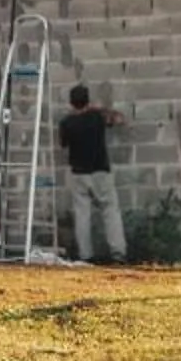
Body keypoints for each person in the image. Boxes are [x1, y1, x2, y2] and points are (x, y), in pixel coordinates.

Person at [57, 83, 129, 263]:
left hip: (78, 173)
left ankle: (86, 255)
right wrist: (100, 108)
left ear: (72, 103)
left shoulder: (66, 123)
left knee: (82, 214)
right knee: (110, 210)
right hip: (100, 171)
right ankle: (118, 252)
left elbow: (63, 144)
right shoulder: (97, 117)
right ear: (87, 101)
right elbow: (119, 119)